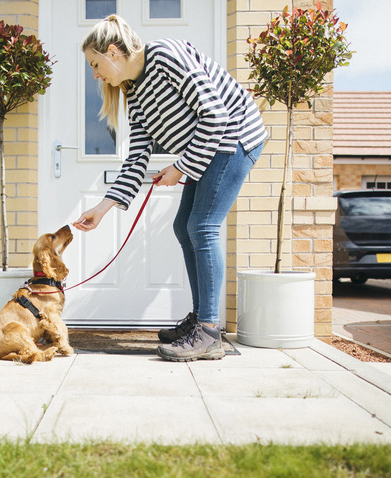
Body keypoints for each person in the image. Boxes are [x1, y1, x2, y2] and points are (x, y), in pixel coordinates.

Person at [73, 15, 267, 362]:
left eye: (95, 64)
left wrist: (179, 167)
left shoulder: (165, 56)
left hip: (235, 137)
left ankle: (208, 332)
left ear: (113, 52)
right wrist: (101, 209)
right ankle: (200, 320)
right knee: (184, 226)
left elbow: (216, 115)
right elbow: (136, 158)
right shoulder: (134, 94)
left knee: (202, 227)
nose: (95, 74)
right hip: (208, 147)